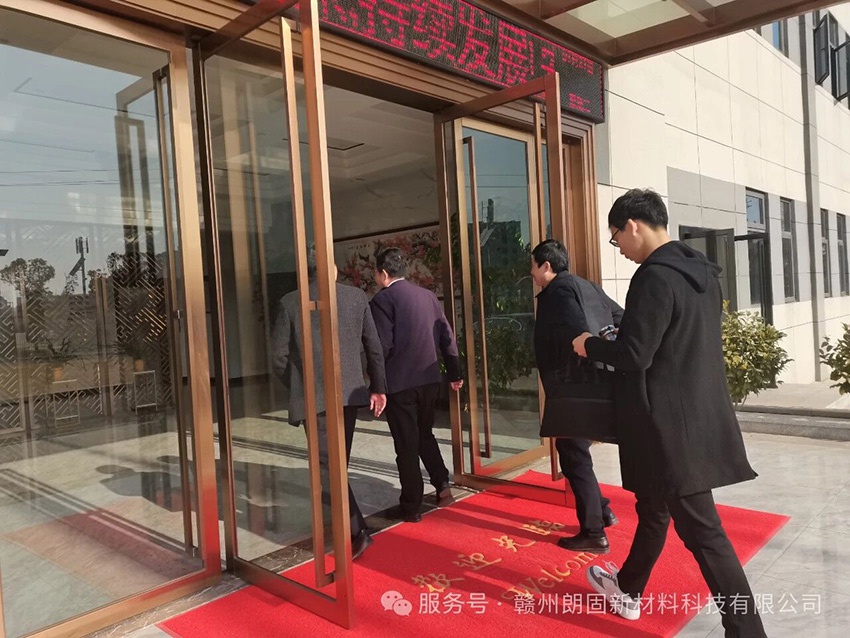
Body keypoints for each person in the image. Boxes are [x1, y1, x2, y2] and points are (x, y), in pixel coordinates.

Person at [572, 189, 765, 636]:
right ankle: (628, 588)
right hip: (695, 415)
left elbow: (635, 354)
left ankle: (748, 631)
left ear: (633, 225)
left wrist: (590, 344)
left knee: (705, 535)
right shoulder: (700, 273)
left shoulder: (654, 277)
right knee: (654, 509)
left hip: (669, 430)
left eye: (616, 237)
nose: (619, 247)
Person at [272, 249, 387, 561]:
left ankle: (357, 532)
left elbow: (278, 357)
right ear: (332, 268)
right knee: (336, 466)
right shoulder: (355, 298)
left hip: (316, 400)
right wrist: (378, 388)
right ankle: (352, 529)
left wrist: (300, 385)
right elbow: (373, 347)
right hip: (349, 395)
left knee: (329, 469)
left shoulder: (290, 302)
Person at [530, 239, 620, 554]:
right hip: (588, 383)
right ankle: (602, 510)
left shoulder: (558, 292)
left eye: (533, 266)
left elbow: (576, 330)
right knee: (574, 451)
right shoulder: (587, 286)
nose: (532, 274)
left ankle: (594, 532)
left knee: (573, 454)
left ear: (546, 265)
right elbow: (620, 317)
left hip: (572, 387)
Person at [369, 247, 463, 523]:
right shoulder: (428, 296)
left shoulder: (382, 301)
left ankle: (411, 505)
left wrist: (377, 385)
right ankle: (442, 486)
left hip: (400, 384)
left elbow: (381, 347)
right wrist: (455, 373)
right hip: (430, 379)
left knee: (406, 444)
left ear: (383, 273)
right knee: (425, 434)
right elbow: (447, 336)